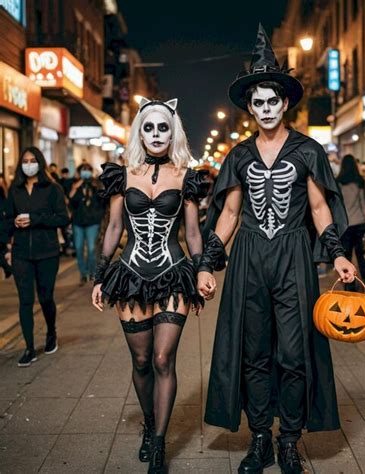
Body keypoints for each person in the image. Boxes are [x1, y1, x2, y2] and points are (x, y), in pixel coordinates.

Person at [201, 25, 356, 474]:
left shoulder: (307, 151)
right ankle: (260, 440)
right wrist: (209, 264)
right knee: (254, 354)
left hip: (292, 256)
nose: (266, 109)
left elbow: (319, 207)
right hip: (249, 255)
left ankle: (289, 439)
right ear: (250, 107)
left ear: (284, 103)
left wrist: (338, 252)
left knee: (293, 352)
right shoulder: (239, 155)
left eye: (273, 101)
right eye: (258, 102)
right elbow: (229, 214)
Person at [91, 97, 214, 474]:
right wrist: (99, 274)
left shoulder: (185, 176)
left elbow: (192, 233)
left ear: (172, 131)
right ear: (139, 132)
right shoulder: (122, 175)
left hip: (173, 273)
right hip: (129, 276)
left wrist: (201, 270)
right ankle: (149, 423)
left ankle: (159, 444)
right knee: (141, 360)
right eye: (149, 127)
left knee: (163, 358)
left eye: (163, 127)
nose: (157, 134)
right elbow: (114, 228)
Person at [0, 147, 69, 366]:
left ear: (40, 162)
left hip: (47, 252)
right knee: (25, 301)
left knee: (46, 297)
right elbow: (5, 220)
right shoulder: (15, 190)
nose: (29, 164)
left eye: (33, 160)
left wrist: (35, 219)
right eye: (25, 161)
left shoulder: (52, 189)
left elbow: (62, 218)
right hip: (21, 253)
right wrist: (13, 224)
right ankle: (29, 348)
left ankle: (51, 334)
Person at [337, 154, 365, 290]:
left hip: (344, 224)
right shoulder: (361, 182)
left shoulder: (338, 182)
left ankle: (349, 285)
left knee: (346, 255)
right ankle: (364, 280)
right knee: (361, 253)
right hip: (360, 221)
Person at [69, 163, 106, 285]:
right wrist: (75, 187)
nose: (86, 172)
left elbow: (103, 202)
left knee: (91, 249)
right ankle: (83, 274)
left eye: (88, 170)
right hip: (78, 222)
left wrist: (99, 216)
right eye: (83, 170)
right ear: (79, 172)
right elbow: (71, 201)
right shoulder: (74, 184)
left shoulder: (96, 184)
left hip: (92, 222)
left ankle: (92, 272)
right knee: (79, 248)